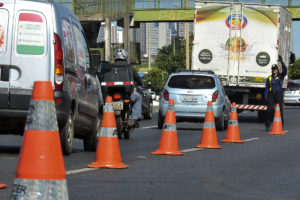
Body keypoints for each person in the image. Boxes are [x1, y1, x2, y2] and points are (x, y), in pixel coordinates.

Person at [113, 48, 143, 128]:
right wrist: (140, 83)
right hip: (128, 95)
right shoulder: (130, 67)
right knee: (138, 98)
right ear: (125, 57)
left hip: (111, 96)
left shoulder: (110, 67)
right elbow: (137, 78)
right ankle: (134, 118)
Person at [264, 55, 287, 131]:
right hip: (271, 95)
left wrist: (281, 62)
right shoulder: (269, 77)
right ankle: (267, 126)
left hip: (279, 94)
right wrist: (266, 96)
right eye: (272, 69)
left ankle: (281, 125)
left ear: (277, 70)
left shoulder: (281, 76)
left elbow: (285, 70)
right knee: (269, 110)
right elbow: (267, 88)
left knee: (280, 110)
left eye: (274, 69)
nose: (273, 70)